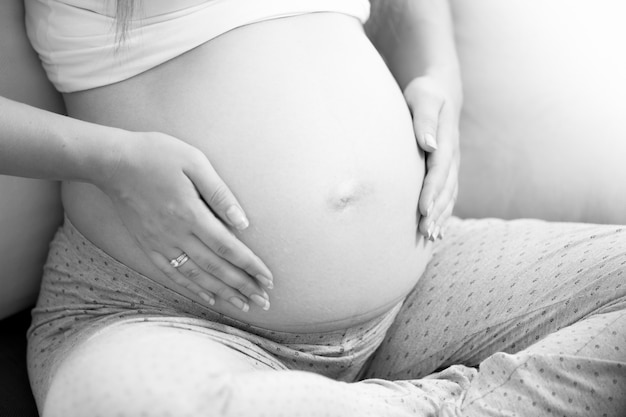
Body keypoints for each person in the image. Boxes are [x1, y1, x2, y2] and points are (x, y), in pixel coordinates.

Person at [11, 0, 625, 415]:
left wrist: (439, 74)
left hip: (417, 289)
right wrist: (110, 161)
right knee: (121, 401)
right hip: (160, 310)